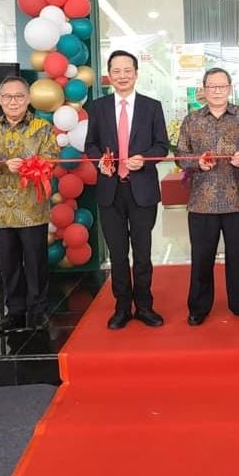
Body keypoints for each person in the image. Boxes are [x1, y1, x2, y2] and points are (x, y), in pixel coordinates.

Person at [84, 50, 169, 330]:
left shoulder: (152, 106)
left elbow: (161, 146)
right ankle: (121, 307)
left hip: (142, 190)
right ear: (109, 74)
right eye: (116, 70)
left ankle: (144, 306)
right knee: (118, 254)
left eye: (127, 70)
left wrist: (144, 158)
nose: (122, 76)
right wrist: (100, 161)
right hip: (110, 190)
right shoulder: (97, 107)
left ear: (136, 73)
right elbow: (91, 145)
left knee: (142, 253)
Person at [0, 76, 59, 331]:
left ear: (28, 99)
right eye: (7, 97)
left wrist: (28, 166)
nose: (13, 102)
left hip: (31, 209)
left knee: (35, 261)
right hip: (0, 210)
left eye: (19, 96)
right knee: (8, 263)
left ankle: (38, 310)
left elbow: (52, 160)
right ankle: (14, 310)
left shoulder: (43, 128)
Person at [175, 67, 239, 326]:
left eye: (222, 86)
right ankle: (199, 307)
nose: (217, 91)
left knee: (238, 257)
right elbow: (180, 155)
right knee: (202, 258)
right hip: (202, 201)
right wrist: (196, 162)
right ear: (204, 89)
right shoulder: (192, 120)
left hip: (237, 199)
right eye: (212, 86)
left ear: (230, 88)